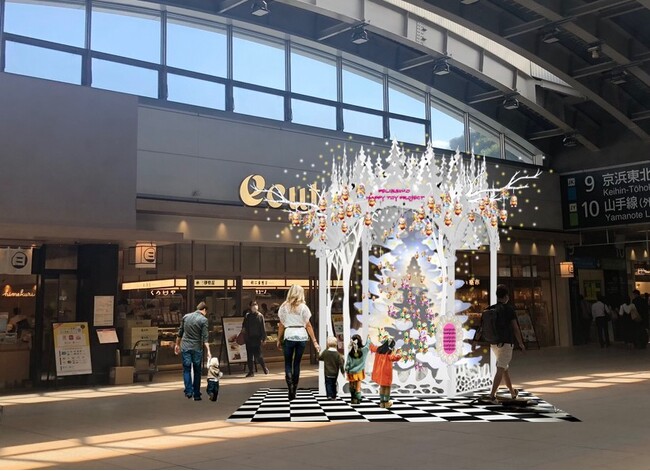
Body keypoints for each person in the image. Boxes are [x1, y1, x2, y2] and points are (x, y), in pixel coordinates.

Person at [276, 284, 320, 400]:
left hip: (289, 334)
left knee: (288, 363)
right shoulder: (304, 307)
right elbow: (308, 325)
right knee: (297, 363)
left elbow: (281, 325)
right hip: (301, 336)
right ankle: (294, 388)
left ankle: (290, 386)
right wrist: (314, 341)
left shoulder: (284, 307)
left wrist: (278, 339)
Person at [487, 284, 525, 404]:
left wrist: (475, 341)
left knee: (504, 368)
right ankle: (492, 396)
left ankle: (512, 392)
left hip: (494, 343)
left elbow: (483, 327)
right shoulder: (509, 309)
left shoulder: (491, 309)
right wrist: (521, 343)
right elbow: (515, 328)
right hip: (506, 343)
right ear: (506, 296)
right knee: (501, 368)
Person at [174, 301, 211, 401]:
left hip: (185, 347)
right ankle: (197, 394)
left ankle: (188, 391)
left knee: (186, 369)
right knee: (197, 370)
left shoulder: (186, 317)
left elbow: (180, 332)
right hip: (196, 348)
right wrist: (208, 351)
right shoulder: (204, 320)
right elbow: (205, 338)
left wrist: (177, 345)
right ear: (204, 310)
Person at [369, 334, 402, 408]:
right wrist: (399, 354)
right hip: (387, 373)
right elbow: (395, 357)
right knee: (387, 387)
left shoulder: (378, 349)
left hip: (379, 373)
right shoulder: (389, 354)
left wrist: (369, 340)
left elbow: (372, 347)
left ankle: (381, 403)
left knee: (382, 386)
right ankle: (386, 403)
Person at [242, 300, 269, 377]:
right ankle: (251, 372)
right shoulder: (247, 316)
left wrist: (264, 338)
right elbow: (244, 325)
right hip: (249, 338)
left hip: (257, 338)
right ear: (250, 307)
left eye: (255, 305)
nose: (254, 306)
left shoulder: (260, 316)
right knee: (249, 356)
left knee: (258, 355)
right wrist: (244, 330)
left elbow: (263, 328)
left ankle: (264, 367)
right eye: (253, 305)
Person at [345, 334, 370, 404]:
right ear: (360, 341)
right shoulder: (364, 350)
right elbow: (367, 345)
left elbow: (348, 363)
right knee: (358, 386)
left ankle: (353, 398)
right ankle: (358, 398)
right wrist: (368, 339)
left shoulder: (350, 353)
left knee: (352, 385)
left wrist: (346, 370)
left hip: (351, 372)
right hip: (359, 372)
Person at [318, 336, 344, 400]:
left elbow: (320, 358)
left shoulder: (325, 352)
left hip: (327, 372)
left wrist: (319, 352)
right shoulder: (337, 354)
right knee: (334, 384)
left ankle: (329, 395)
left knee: (328, 383)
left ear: (328, 344)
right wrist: (343, 371)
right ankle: (334, 396)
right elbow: (341, 363)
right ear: (336, 344)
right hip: (335, 373)